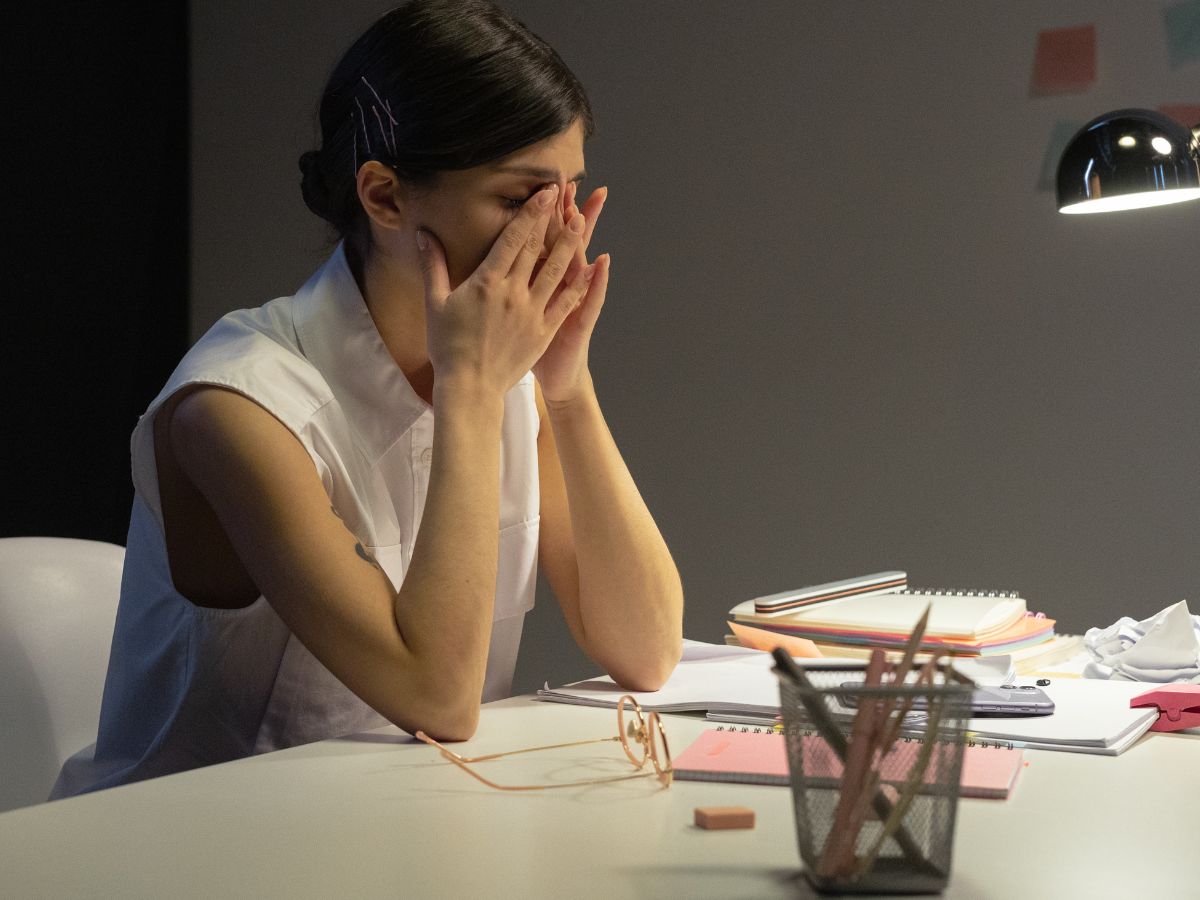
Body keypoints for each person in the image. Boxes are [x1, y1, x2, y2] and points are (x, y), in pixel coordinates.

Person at [51, 0, 682, 799]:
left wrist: (567, 381)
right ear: (385, 198)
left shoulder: (507, 378)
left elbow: (647, 646)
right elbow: (438, 699)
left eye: (571, 194)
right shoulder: (237, 405)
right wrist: (472, 390)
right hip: (184, 859)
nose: (557, 234)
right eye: (520, 198)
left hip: (395, 833)